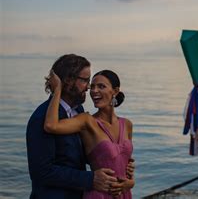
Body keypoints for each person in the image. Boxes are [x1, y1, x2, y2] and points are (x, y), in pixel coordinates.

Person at [26, 54, 127, 198]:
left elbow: (81, 154)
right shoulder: (41, 117)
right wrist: (90, 179)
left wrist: (118, 159)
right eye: (85, 80)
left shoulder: (78, 110)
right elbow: (41, 172)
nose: (89, 88)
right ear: (68, 81)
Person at [44, 68, 134, 198]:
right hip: (99, 194)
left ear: (115, 91)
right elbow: (51, 125)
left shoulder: (127, 124)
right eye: (92, 87)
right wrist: (57, 90)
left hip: (124, 194)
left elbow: (127, 166)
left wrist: (130, 183)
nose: (94, 91)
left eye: (101, 86)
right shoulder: (86, 121)